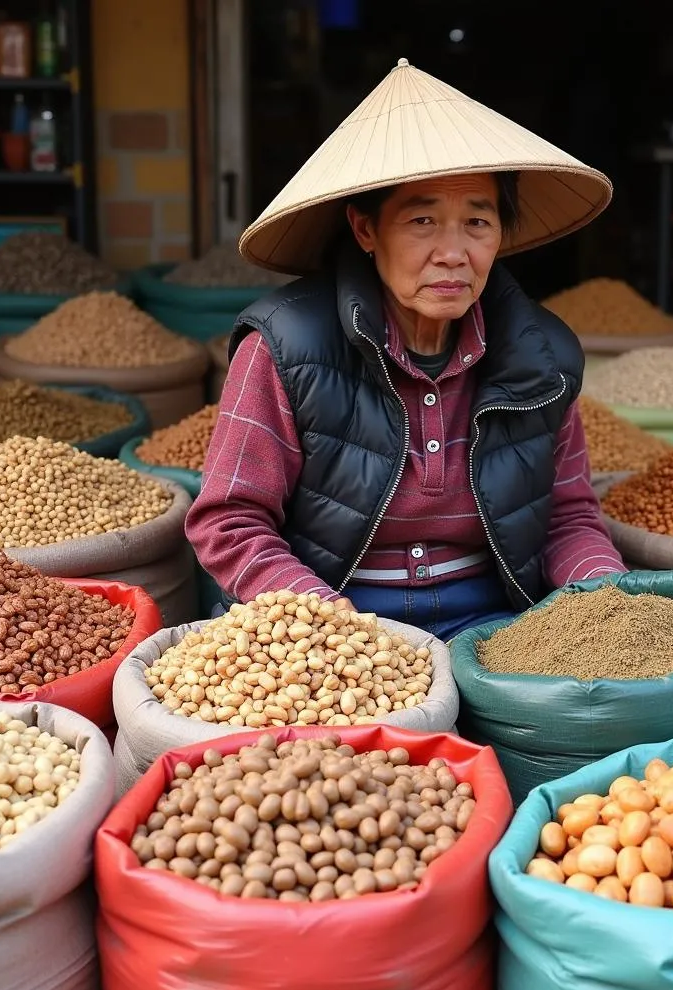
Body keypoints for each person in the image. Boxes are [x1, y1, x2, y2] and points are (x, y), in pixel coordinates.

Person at [186, 58, 628, 641]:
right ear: (366, 230)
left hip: (492, 621)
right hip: (329, 618)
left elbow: (567, 518)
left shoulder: (541, 357)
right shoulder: (286, 346)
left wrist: (607, 602)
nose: (453, 252)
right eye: (422, 220)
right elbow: (230, 522)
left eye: (478, 221)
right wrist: (331, 624)